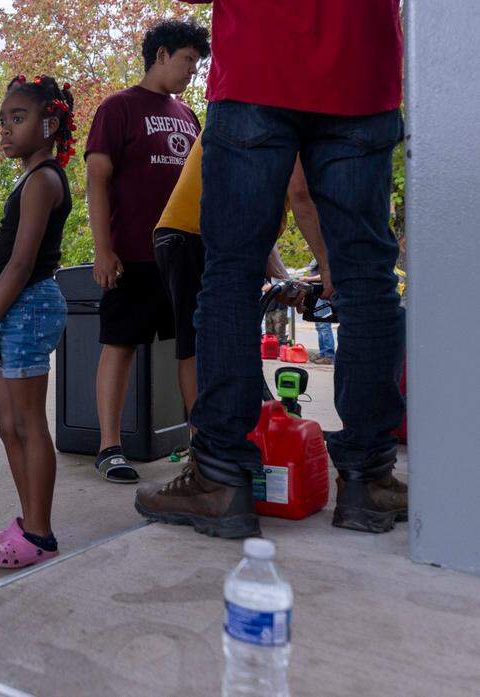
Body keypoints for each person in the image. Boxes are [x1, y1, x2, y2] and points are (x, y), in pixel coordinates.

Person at [138, 0, 406, 538]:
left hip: (256, 68)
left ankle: (219, 478)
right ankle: (368, 479)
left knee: (231, 277)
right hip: (361, 66)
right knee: (368, 281)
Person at [85, 19, 210, 483]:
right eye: (187, 61)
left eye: (197, 65)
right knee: (119, 345)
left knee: (191, 350)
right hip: (132, 253)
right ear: (160, 54)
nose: (191, 72)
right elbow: (96, 180)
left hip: (185, 254)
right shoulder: (117, 108)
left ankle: (201, 447)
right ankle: (109, 447)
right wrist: (103, 249)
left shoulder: (188, 114)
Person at [154, 134, 331, 420]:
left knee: (230, 340)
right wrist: (327, 266)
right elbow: (300, 196)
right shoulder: (290, 120)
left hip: (206, 235)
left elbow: (259, 225)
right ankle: (204, 448)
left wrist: (283, 280)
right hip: (191, 233)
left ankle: (229, 434)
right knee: (197, 344)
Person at [0, 74, 74, 569]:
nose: (6, 130)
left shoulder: (44, 180)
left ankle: (39, 532)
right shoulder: (30, 177)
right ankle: (28, 519)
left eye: (19, 118)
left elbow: (20, 262)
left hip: (28, 306)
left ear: (50, 123)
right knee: (4, 419)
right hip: (16, 306)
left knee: (29, 421)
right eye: (3, 121)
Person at [302, 258, 335, 364]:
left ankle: (329, 355)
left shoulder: (325, 255)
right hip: (316, 293)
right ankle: (323, 353)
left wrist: (306, 279)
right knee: (319, 326)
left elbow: (326, 275)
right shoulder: (316, 258)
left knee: (324, 326)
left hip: (323, 292)